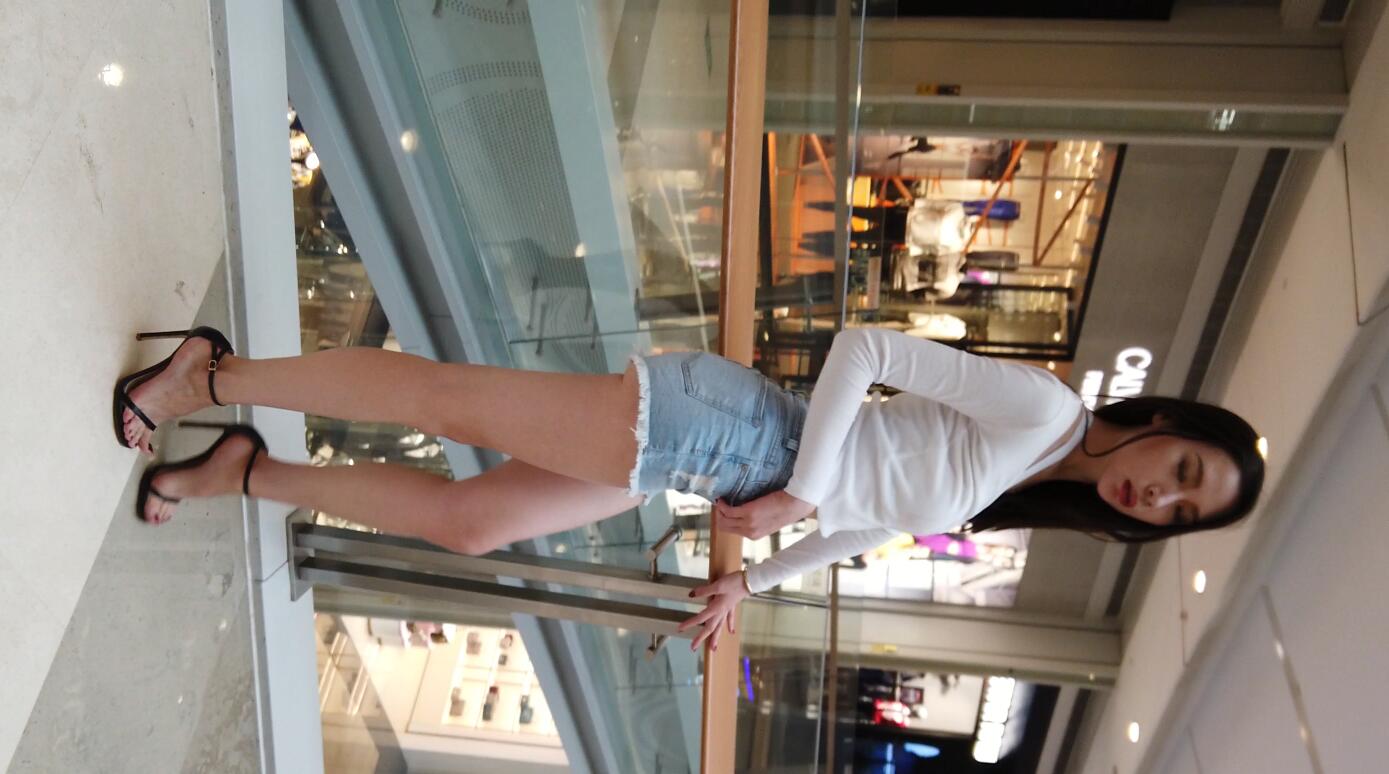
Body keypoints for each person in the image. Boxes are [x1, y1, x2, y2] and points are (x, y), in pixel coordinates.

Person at [114, 326, 1264, 652]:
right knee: (448, 402)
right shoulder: (1047, 414)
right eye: (1182, 473)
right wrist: (803, 488)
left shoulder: (1023, 480)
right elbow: (865, 349)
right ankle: (210, 373)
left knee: (470, 525)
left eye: (1183, 511)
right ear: (1164, 427)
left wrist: (751, 582)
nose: (1160, 497)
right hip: (728, 430)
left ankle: (246, 468)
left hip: (718, 465)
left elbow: (862, 520)